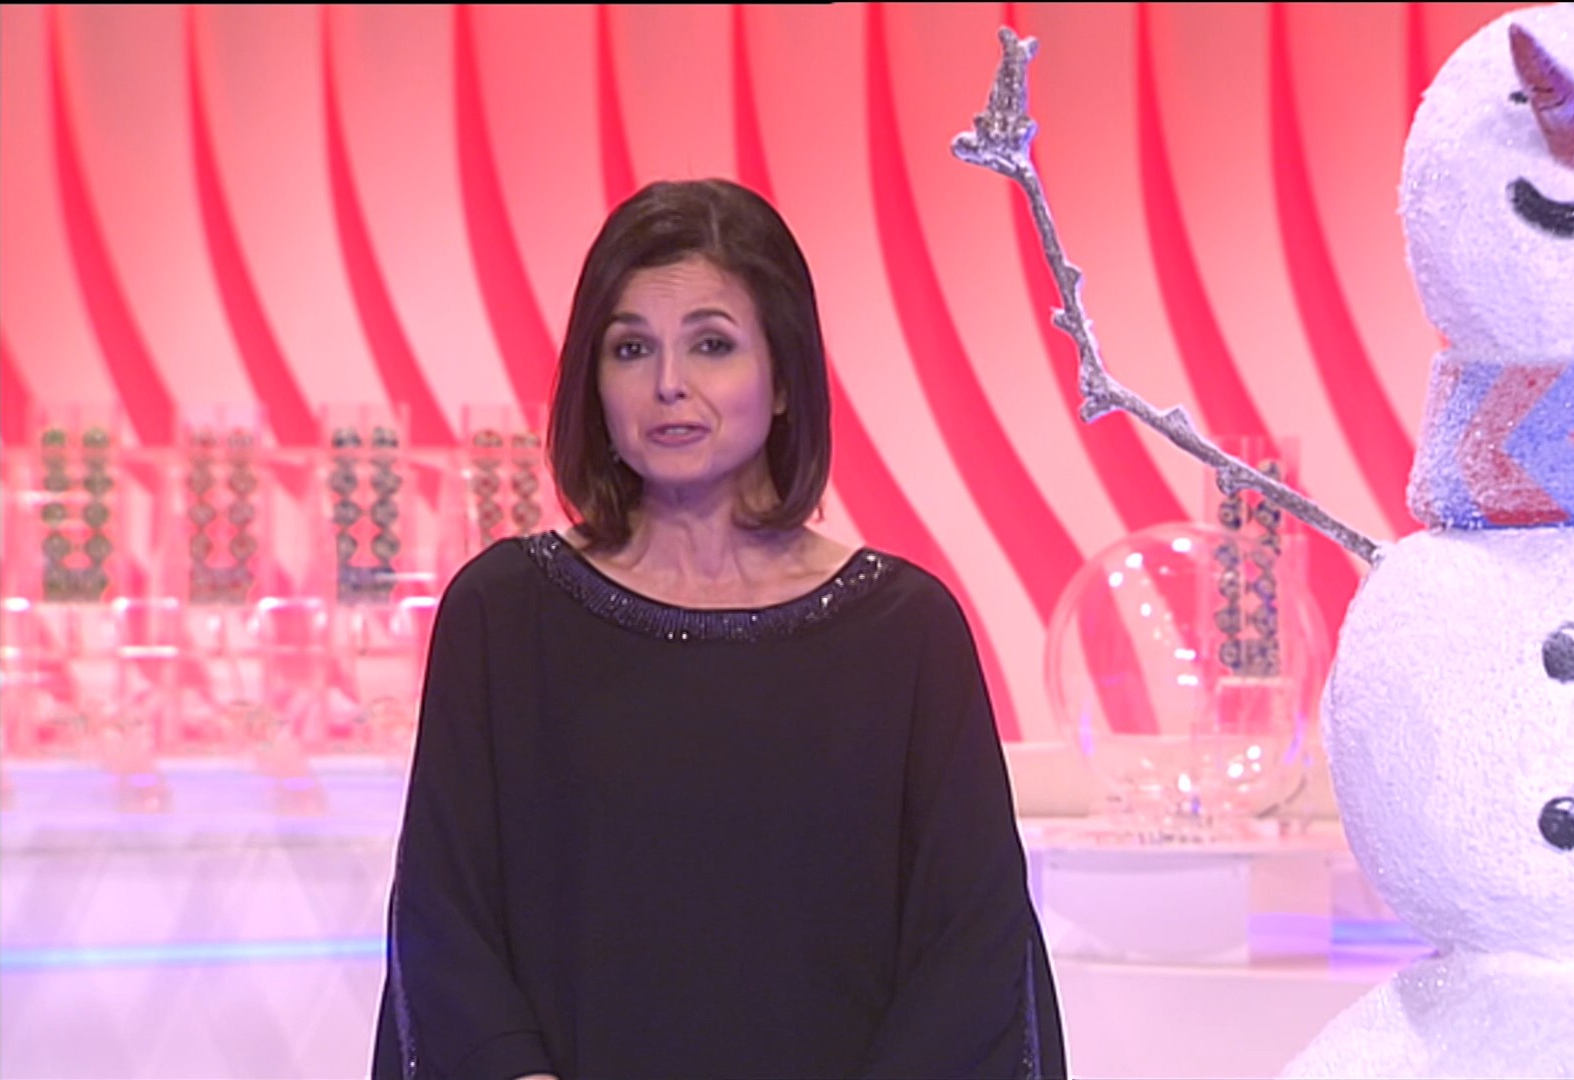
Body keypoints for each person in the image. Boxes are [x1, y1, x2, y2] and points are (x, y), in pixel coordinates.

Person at [369, 178, 1067, 1080]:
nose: (669, 384)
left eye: (712, 344)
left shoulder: (907, 635)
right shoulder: (502, 615)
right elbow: (443, 921)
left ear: (783, 381)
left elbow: (973, 948)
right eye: (631, 348)